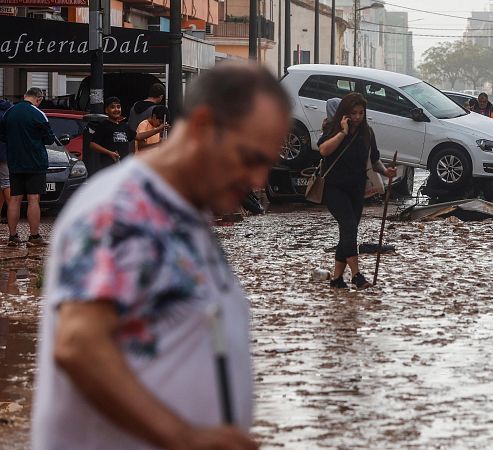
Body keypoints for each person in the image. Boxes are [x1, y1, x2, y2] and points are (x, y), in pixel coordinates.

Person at [32, 62, 290, 450]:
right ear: (203, 127)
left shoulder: (184, 216)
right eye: (251, 158)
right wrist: (182, 437)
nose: (258, 180)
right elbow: (79, 344)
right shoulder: (123, 208)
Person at [317, 93, 397, 290]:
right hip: (334, 188)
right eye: (353, 113)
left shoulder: (367, 133)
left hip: (356, 188)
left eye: (361, 113)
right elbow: (324, 150)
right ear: (345, 113)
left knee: (347, 233)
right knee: (350, 226)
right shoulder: (332, 128)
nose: (358, 117)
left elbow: (374, 159)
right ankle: (356, 275)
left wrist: (386, 171)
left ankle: (336, 279)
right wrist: (343, 133)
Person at [0, 87, 54, 247]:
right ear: (39, 99)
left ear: (25, 96)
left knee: (15, 199)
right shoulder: (38, 114)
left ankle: (12, 236)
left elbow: (3, 136)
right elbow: (49, 138)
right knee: (33, 199)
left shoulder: (9, 113)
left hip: (15, 162)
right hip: (35, 162)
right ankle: (34, 236)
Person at [86, 97, 163, 176]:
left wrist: (158, 130)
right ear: (106, 110)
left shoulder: (124, 126)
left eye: (118, 107)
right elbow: (92, 144)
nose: (116, 109)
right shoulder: (104, 125)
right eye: (112, 107)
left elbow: (139, 136)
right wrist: (110, 153)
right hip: (109, 168)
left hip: (123, 167)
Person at [0, 99, 12, 224]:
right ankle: (12, 213)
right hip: (5, 153)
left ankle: (12, 212)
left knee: (4, 184)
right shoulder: (8, 112)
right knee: (5, 183)